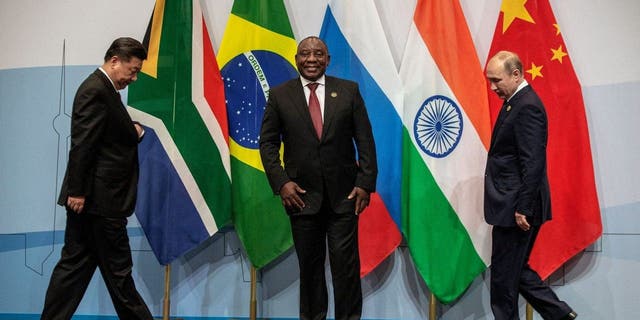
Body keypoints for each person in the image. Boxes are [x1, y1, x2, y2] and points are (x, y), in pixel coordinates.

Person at [259, 36, 377, 320]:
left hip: (344, 197)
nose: (311, 59)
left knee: (345, 270)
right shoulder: (280, 95)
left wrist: (364, 183)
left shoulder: (348, 91)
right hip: (300, 197)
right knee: (310, 270)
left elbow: (365, 140)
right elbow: (268, 143)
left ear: (328, 60)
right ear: (297, 58)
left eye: (318, 54)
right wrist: (282, 182)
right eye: (305, 54)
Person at [41, 37, 153, 320]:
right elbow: (83, 143)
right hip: (99, 203)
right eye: (133, 70)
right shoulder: (95, 90)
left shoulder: (104, 90)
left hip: (93, 202)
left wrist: (133, 130)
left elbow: (105, 135)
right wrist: (77, 191)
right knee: (120, 276)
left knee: (72, 272)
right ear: (115, 60)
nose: (134, 77)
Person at [484, 50, 577, 320]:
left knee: (503, 279)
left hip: (517, 207)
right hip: (510, 203)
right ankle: (561, 315)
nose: (492, 87)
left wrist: (523, 207)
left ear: (516, 75)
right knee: (513, 271)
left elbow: (533, 162)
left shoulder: (528, 106)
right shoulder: (516, 102)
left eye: (496, 80)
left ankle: (560, 314)